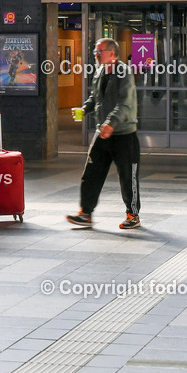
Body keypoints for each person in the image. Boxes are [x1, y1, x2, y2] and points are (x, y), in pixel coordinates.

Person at [66, 38, 142, 230]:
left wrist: (111, 123)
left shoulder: (124, 72)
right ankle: (85, 213)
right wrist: (84, 109)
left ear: (112, 53)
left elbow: (124, 103)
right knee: (91, 173)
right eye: (95, 52)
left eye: (99, 51)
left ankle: (132, 214)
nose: (96, 55)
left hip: (124, 134)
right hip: (103, 133)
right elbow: (95, 97)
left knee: (128, 176)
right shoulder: (100, 71)